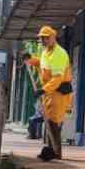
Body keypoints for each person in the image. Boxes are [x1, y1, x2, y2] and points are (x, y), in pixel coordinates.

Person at [27, 25, 73, 160]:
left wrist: (43, 89)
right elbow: (42, 64)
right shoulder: (46, 51)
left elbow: (57, 79)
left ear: (53, 38)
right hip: (50, 93)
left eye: (46, 38)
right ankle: (51, 149)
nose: (44, 40)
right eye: (42, 38)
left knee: (53, 122)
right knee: (49, 121)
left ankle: (56, 152)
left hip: (59, 92)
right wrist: (30, 59)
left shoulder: (59, 54)